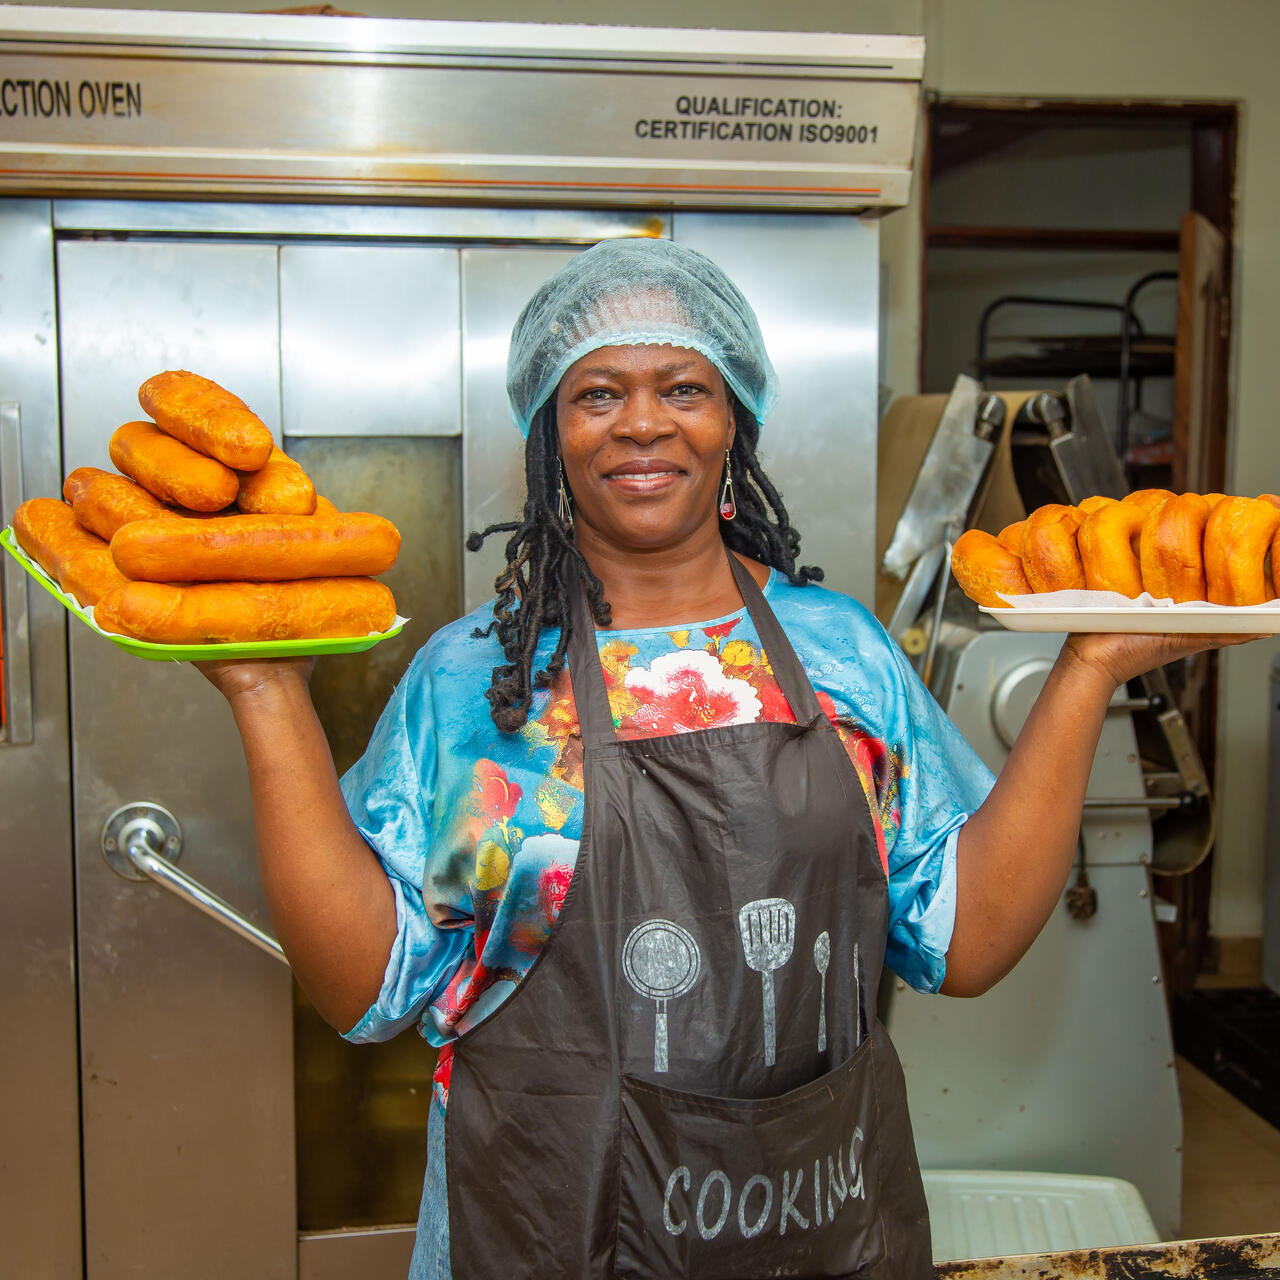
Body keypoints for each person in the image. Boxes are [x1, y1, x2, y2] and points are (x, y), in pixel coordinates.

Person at [200, 238, 1252, 1279]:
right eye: (597, 391)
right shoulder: (484, 685)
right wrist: (265, 692)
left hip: (813, 1218)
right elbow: (365, 981)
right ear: (547, 432)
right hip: (541, 1222)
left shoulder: (840, 657)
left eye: (682, 386)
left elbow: (965, 939)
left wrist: (1085, 670)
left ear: (733, 417)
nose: (643, 420)